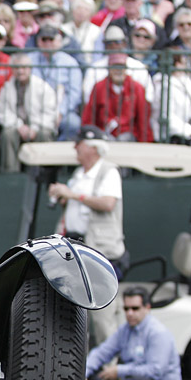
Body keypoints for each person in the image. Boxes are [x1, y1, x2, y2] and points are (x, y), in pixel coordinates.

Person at [47, 125, 128, 344]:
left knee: (102, 317)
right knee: (74, 313)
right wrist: (63, 196)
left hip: (99, 253)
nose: (75, 148)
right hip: (75, 250)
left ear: (93, 148)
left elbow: (107, 203)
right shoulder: (79, 174)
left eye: (79, 143)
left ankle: (109, 371)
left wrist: (72, 194)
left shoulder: (108, 171)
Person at [84, 286, 183, 380]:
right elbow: (101, 353)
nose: (130, 313)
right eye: (126, 309)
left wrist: (119, 370)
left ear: (147, 308)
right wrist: (85, 373)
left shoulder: (158, 333)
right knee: (98, 372)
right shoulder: (125, 330)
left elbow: (155, 371)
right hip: (130, 378)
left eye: (135, 308)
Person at [0, 52, 58, 171]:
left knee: (44, 134)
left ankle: (41, 173)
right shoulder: (6, 88)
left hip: (39, 126)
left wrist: (34, 128)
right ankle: (11, 174)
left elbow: (50, 113)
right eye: (16, 68)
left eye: (24, 68)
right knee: (7, 134)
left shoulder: (43, 87)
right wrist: (19, 126)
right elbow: (4, 113)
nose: (20, 71)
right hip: (17, 126)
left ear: (30, 69)